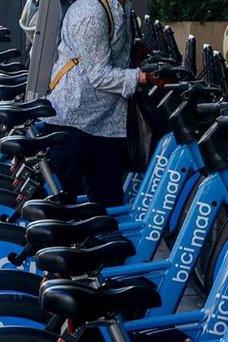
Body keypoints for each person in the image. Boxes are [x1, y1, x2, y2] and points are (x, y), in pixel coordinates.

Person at [44, 0, 152, 206]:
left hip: (102, 122)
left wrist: (133, 52)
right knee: (61, 210)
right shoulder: (91, 13)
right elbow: (99, 76)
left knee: (108, 206)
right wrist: (143, 77)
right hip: (75, 121)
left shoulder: (120, 6)